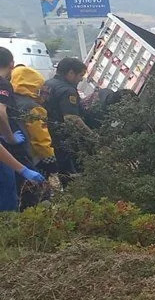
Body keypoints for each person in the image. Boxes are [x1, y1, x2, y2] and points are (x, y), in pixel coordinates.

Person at [0, 48, 46, 211]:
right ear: (11, 64)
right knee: (9, 203)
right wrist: (10, 137)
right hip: (10, 152)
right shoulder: (3, 83)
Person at [10, 66, 54, 209]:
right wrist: (51, 161)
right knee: (37, 197)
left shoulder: (10, 100)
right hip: (32, 159)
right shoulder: (33, 107)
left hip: (11, 156)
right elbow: (40, 139)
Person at [43, 57, 90, 185]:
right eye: (80, 75)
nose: (81, 79)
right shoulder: (68, 90)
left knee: (50, 168)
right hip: (61, 137)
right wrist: (92, 136)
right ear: (70, 73)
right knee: (68, 172)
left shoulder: (48, 84)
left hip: (46, 133)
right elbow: (71, 118)